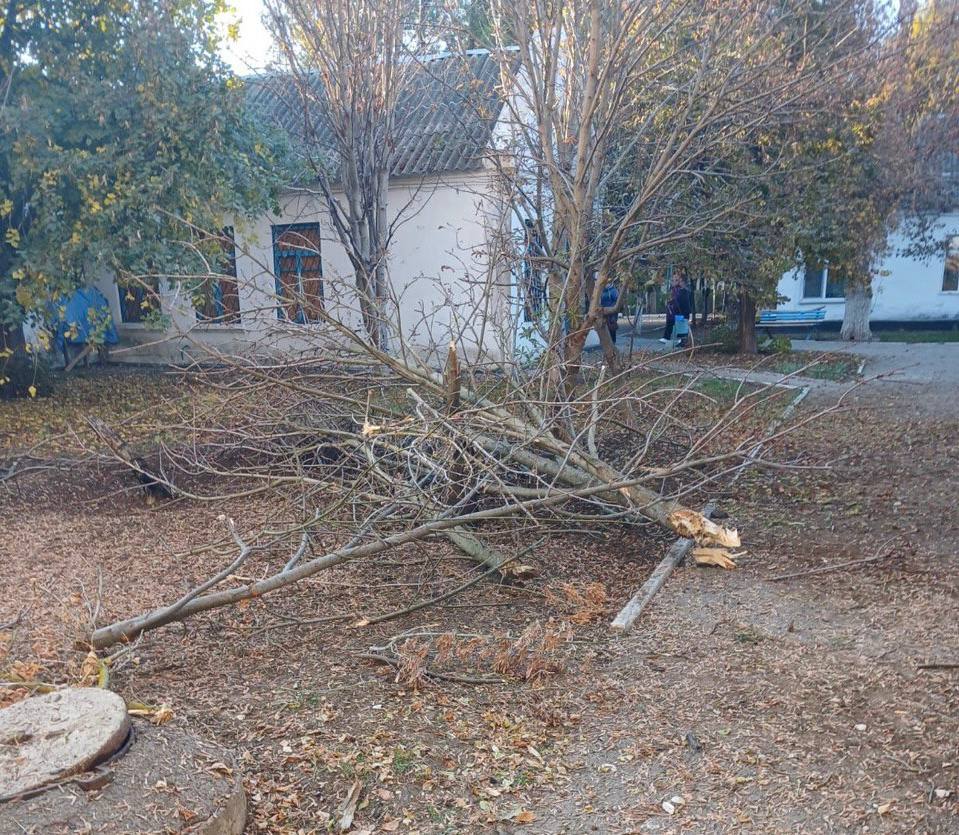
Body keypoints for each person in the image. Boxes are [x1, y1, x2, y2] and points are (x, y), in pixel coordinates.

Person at [660, 274, 692, 343]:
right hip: (675, 311)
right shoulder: (673, 289)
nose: (673, 282)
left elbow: (680, 301)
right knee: (670, 322)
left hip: (682, 312)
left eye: (676, 280)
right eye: (672, 280)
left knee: (681, 323)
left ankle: (682, 339)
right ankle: (667, 337)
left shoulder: (683, 291)